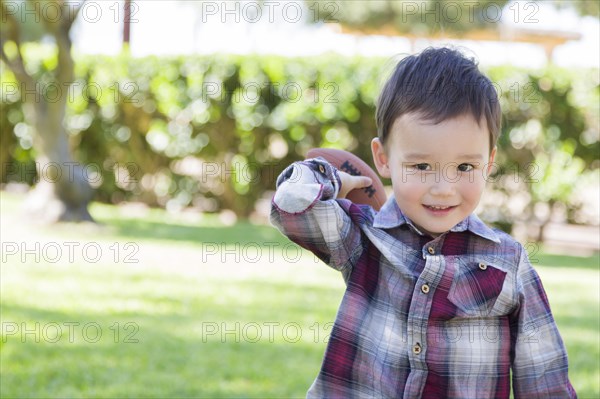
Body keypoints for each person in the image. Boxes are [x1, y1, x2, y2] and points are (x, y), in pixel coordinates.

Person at [270, 47, 576, 398]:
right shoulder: (361, 238)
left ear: (489, 162)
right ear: (384, 159)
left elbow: (544, 377)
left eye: (464, 167)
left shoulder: (507, 261)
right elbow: (291, 205)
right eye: (421, 166)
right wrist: (337, 180)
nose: (443, 189)